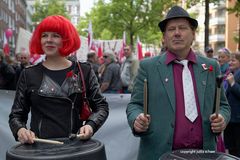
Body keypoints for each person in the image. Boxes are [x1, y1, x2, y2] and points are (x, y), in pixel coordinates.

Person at [126, 6, 230, 160]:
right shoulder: (148, 67)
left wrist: (222, 118)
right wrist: (137, 119)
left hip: (205, 154)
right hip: (159, 154)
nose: (177, 33)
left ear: (193, 34)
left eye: (182, 28)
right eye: (171, 29)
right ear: (164, 37)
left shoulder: (210, 66)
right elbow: (134, 105)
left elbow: (223, 105)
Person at [9, 15, 109, 144]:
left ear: (66, 39)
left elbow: (101, 106)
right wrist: (20, 130)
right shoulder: (28, 74)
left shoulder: (84, 71)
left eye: (55, 35)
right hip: (40, 150)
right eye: (44, 35)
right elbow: (16, 115)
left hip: (76, 148)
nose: (49, 40)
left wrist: (91, 125)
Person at [224, 52, 240, 157]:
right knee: (231, 149)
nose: (230, 62)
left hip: (238, 120)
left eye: (233, 60)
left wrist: (233, 84)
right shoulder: (232, 73)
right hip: (230, 118)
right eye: (230, 60)